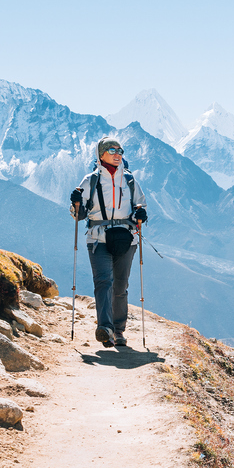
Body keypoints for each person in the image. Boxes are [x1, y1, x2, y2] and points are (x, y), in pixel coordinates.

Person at [69, 136, 148, 347]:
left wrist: (140, 214)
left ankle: (118, 329)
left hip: (126, 238)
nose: (117, 154)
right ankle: (105, 328)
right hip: (98, 238)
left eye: (120, 151)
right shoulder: (90, 180)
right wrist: (76, 204)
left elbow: (140, 207)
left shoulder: (130, 181)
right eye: (112, 150)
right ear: (101, 154)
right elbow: (78, 215)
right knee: (103, 281)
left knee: (120, 286)